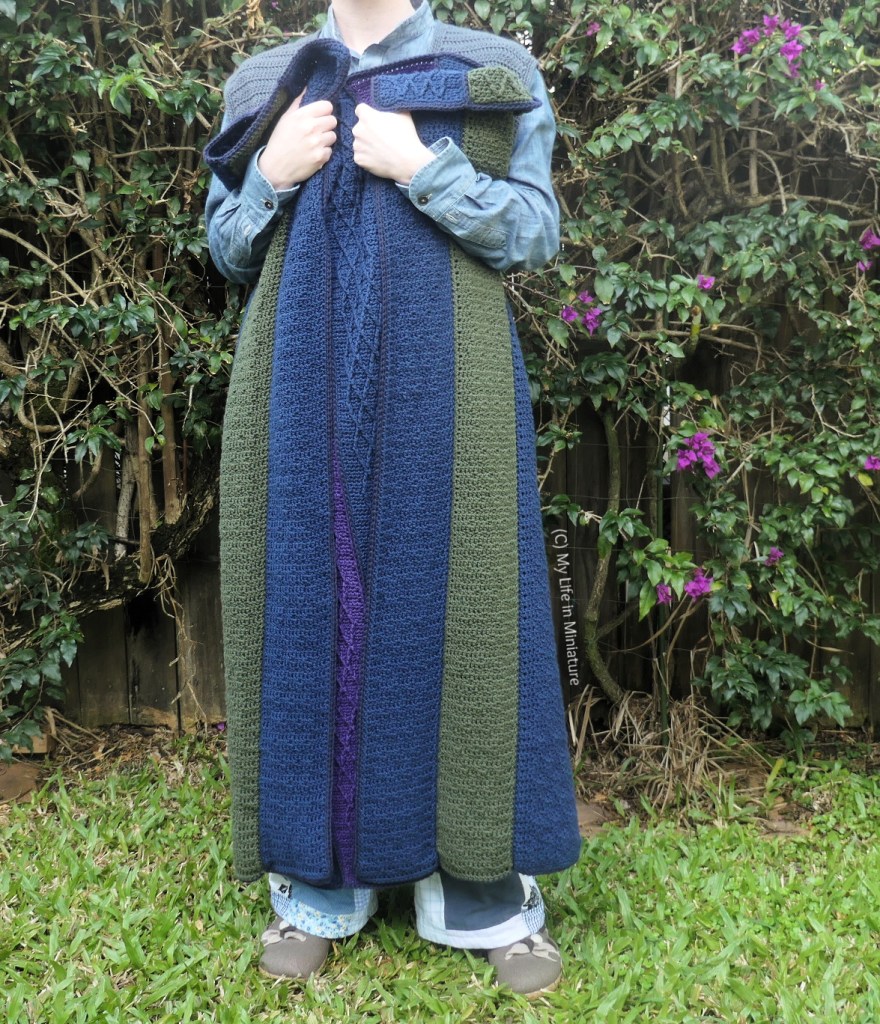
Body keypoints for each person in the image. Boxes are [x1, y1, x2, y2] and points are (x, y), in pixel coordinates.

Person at [203, 0, 582, 998]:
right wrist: (272, 174)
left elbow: (533, 231)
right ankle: (319, 887)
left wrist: (424, 166)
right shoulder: (263, 85)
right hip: (295, 390)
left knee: (461, 611)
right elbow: (226, 249)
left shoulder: (491, 73)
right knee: (311, 609)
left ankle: (483, 897)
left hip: (449, 390)